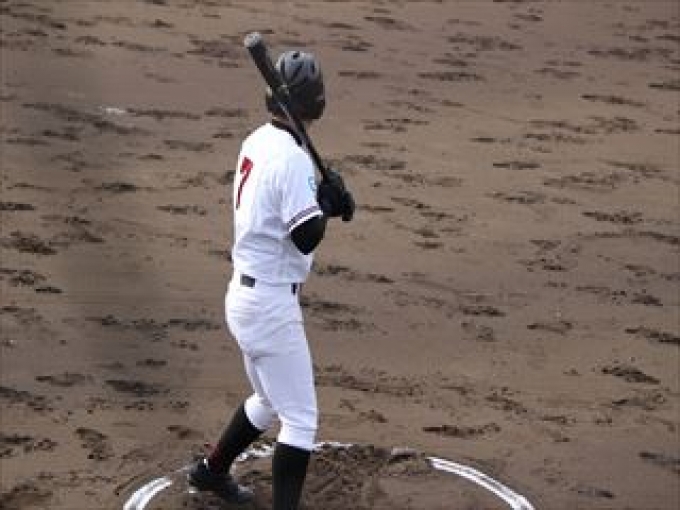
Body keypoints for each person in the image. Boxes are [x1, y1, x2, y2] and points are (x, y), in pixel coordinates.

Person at [188, 48, 355, 510]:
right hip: (270, 307)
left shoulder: (258, 141)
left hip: (245, 297)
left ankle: (211, 471)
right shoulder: (293, 160)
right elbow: (305, 236)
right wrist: (328, 205)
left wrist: (324, 200)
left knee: (268, 400)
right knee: (300, 420)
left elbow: (290, 209)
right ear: (316, 104)